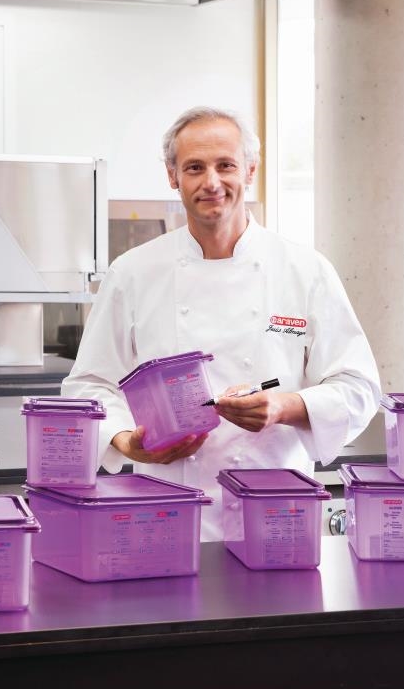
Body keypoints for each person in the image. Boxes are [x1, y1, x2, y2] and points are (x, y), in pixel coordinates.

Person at [62, 105, 381, 540]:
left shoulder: (305, 270)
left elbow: (359, 388)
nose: (211, 182)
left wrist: (284, 406)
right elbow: (89, 384)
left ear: (250, 170)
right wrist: (125, 441)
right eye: (194, 167)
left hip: (275, 517)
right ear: (173, 176)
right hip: (167, 513)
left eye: (225, 165)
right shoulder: (133, 273)